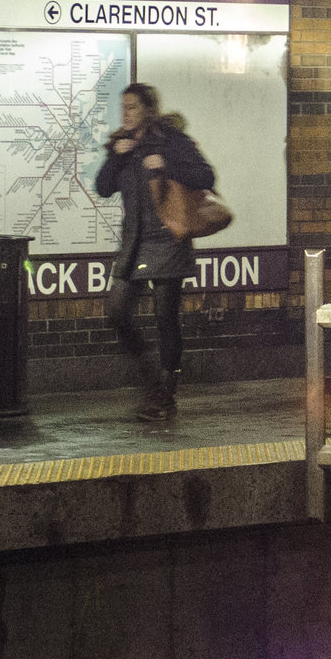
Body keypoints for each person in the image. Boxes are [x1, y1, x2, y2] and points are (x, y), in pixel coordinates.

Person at [95, 82, 216, 422]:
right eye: (123, 108)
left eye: (132, 107)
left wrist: (165, 164)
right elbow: (103, 188)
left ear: (148, 110)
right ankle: (152, 383)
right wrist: (115, 157)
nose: (126, 113)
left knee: (166, 320)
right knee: (117, 311)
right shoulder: (123, 146)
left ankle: (165, 393)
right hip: (134, 244)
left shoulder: (172, 142)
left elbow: (205, 175)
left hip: (168, 241)